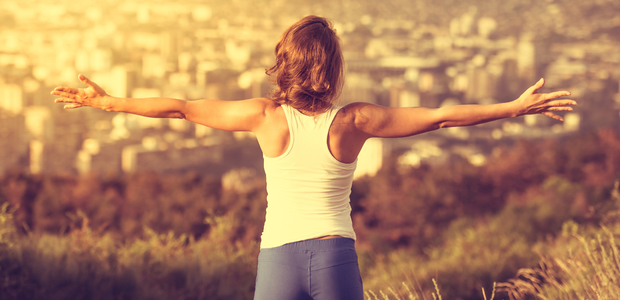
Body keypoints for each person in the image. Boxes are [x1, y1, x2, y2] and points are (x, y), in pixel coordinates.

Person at [52, 15, 575, 300]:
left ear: (286, 65)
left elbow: (182, 109)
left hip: (277, 258)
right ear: (334, 69)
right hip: (334, 258)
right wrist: (512, 107)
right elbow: (440, 116)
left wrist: (107, 102)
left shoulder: (263, 116)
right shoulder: (355, 121)